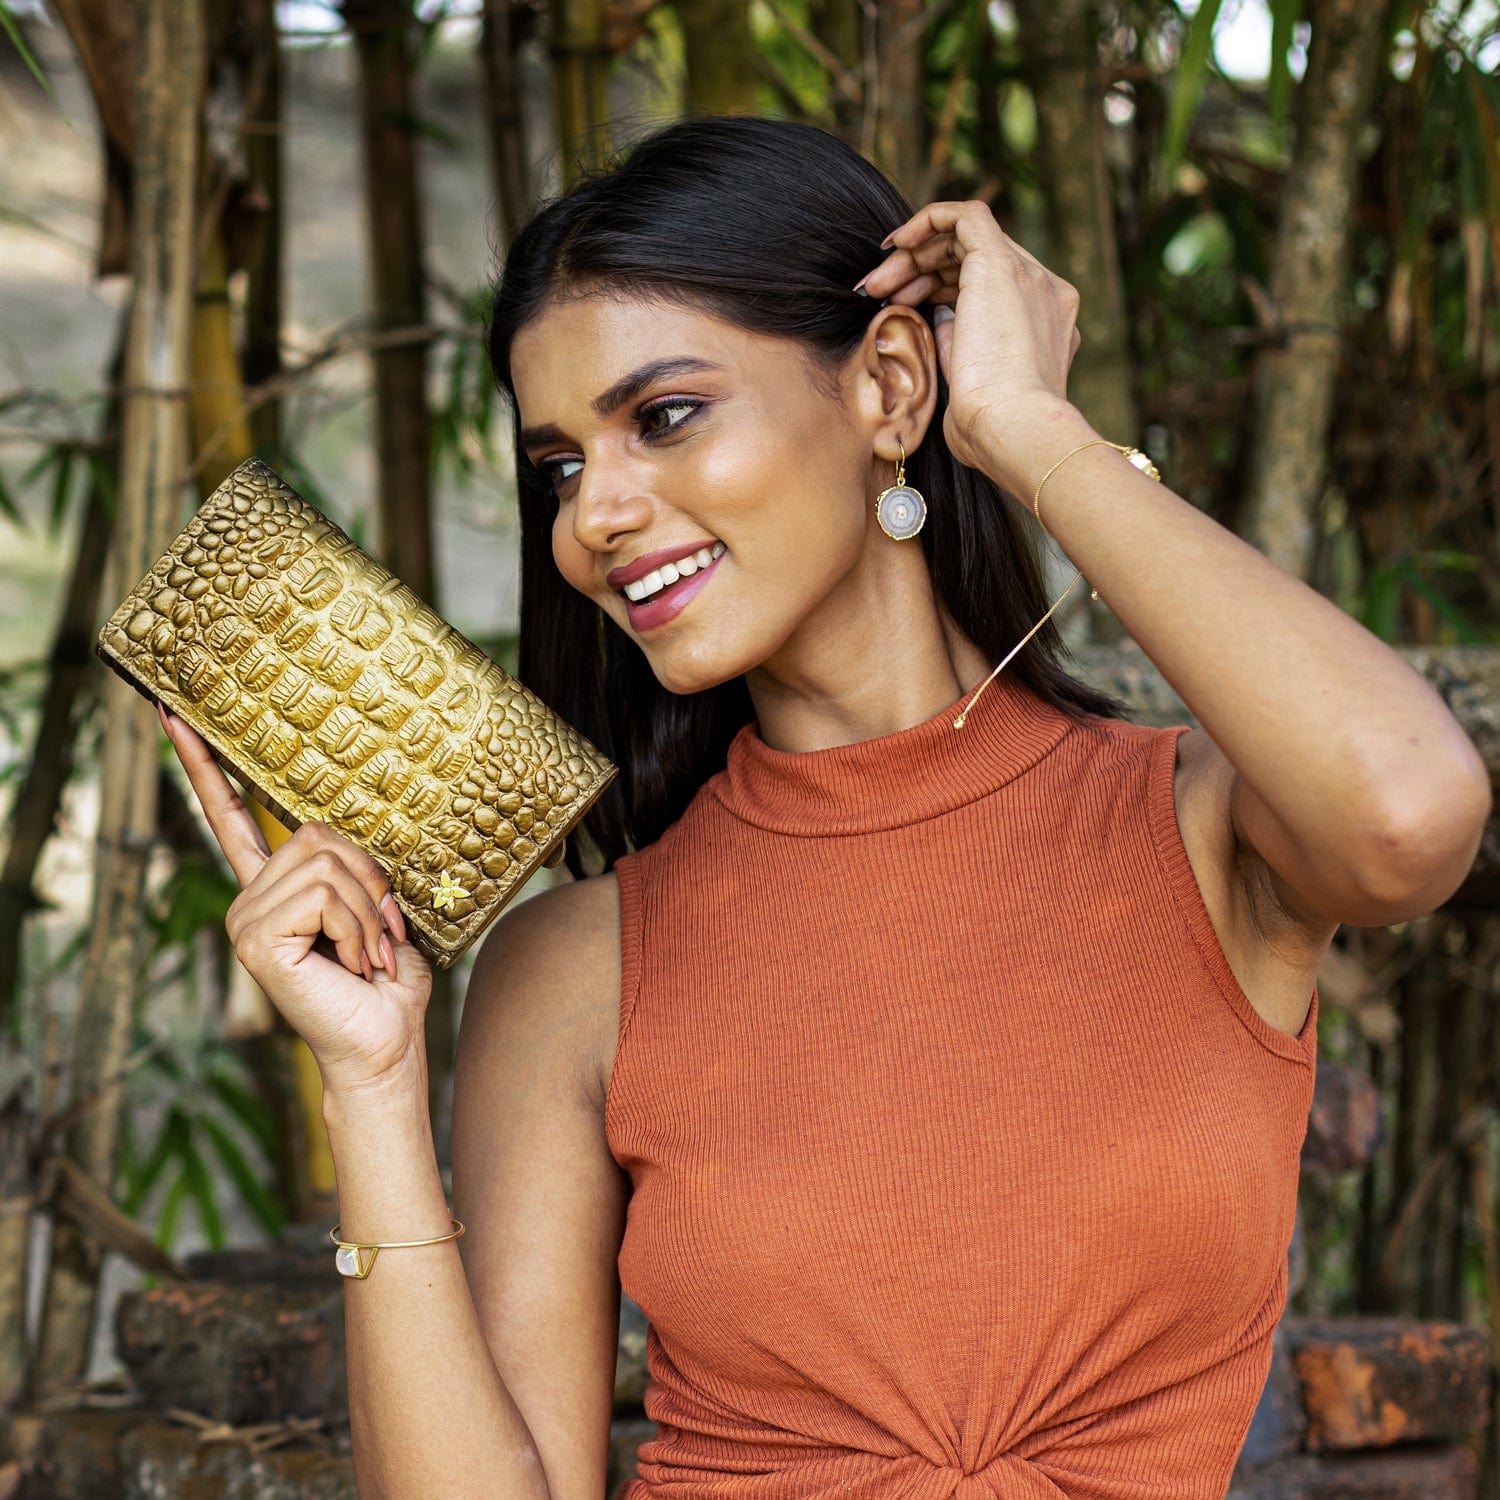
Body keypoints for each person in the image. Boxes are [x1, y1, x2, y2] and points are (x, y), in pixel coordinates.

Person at [163, 115, 1491, 1499]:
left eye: (662, 417)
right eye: (558, 468)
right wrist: (371, 1089)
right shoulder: (578, 966)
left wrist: (1033, 432)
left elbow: (1408, 808)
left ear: (892, 388)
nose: (592, 519)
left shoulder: (1202, 834)